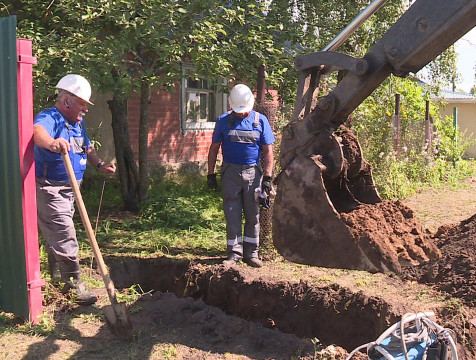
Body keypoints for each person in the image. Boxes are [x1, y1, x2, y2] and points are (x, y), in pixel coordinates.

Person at [33, 74, 116, 305]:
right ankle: (74, 285)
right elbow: (37, 132)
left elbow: (87, 147)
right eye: (82, 103)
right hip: (51, 189)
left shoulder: (77, 123)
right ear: (67, 101)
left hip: (72, 189)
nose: (86, 109)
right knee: (65, 234)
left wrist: (99, 165)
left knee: (57, 235)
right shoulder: (51, 117)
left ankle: (58, 277)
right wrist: (52, 143)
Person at [207, 84, 275, 268]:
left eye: (244, 111)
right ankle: (233, 253)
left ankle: (251, 253)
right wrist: (211, 174)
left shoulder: (260, 121)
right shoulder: (223, 121)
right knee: (232, 213)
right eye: (238, 111)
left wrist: (267, 178)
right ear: (232, 106)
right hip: (230, 173)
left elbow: (268, 151)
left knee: (253, 214)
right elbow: (214, 149)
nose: (241, 114)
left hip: (253, 173)